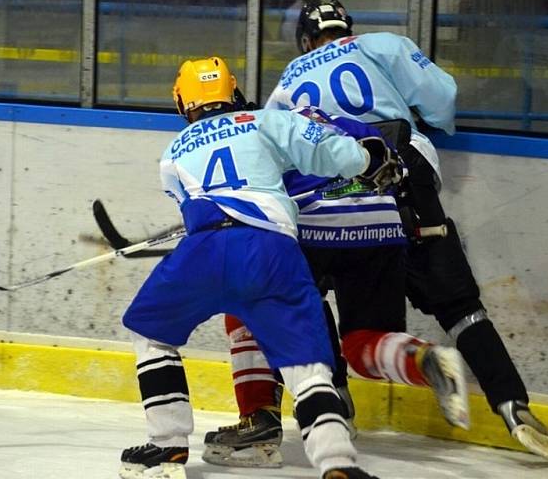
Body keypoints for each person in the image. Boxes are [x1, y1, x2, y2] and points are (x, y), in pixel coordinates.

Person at [204, 0, 548, 466]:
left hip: (322, 198)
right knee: (458, 306)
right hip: (404, 184)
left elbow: (274, 148)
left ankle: (335, 399)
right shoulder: (382, 45)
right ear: (346, 29)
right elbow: (442, 99)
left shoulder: (292, 76)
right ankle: (513, 406)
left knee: (304, 294)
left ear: (306, 41)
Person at [119, 56, 391, 479]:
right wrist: (366, 158)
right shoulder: (264, 119)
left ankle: (167, 446)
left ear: (183, 103)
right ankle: (337, 462)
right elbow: (324, 149)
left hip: (203, 252)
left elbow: (195, 206)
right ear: (232, 91)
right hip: (271, 252)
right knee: (307, 364)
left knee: (149, 333)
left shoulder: (172, 153)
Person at [202, 108, 471, 469]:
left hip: (313, 226)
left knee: (246, 304)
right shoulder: (333, 119)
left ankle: (259, 425)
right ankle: (426, 359)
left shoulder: (251, 130)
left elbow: (250, 204)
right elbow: (389, 162)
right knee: (365, 342)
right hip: (381, 224)